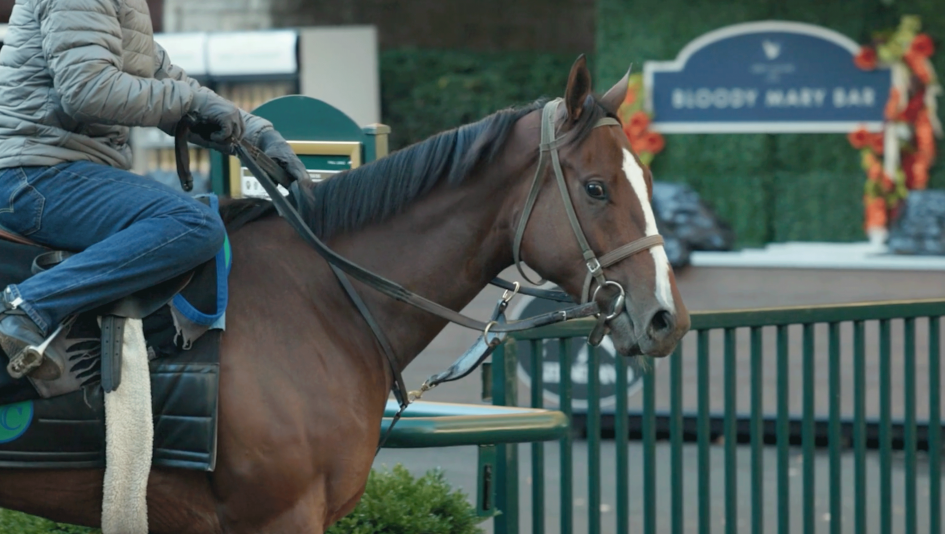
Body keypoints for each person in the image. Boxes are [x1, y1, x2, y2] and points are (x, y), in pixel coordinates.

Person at [0, 0, 309, 383]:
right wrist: (193, 103)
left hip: (53, 170)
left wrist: (259, 136)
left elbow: (172, 84)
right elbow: (87, 90)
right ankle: (29, 304)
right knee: (193, 223)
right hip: (35, 176)